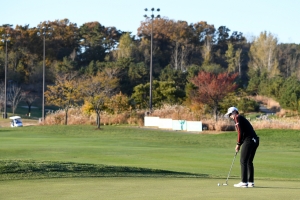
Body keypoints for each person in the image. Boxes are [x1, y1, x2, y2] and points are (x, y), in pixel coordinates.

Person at [225, 107, 259, 188]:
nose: (230, 116)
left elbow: (240, 132)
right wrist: (240, 144)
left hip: (249, 140)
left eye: (230, 114)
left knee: (243, 160)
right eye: (229, 115)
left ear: (234, 112)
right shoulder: (240, 118)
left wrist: (238, 143)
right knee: (249, 161)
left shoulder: (237, 117)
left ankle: (244, 182)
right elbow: (243, 133)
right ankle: (250, 182)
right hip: (255, 140)